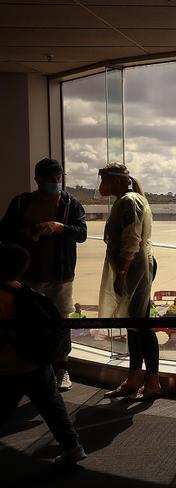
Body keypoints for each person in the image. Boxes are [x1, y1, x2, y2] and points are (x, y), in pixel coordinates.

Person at [0, 157, 87, 392]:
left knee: (62, 322)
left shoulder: (70, 203)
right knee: (29, 323)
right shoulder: (22, 203)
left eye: (59, 178)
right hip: (28, 276)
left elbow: (81, 234)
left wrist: (60, 228)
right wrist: (27, 234)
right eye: (51, 179)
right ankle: (34, 368)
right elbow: (4, 233)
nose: (56, 182)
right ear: (37, 179)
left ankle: (62, 369)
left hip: (61, 275)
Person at [0, 244, 87, 466]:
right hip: (38, 363)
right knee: (53, 406)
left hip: (9, 367)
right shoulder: (28, 293)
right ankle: (73, 447)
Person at [97, 163, 161, 402]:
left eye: (104, 180)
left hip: (133, 270)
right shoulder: (130, 199)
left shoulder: (128, 201)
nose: (101, 186)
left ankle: (152, 381)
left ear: (114, 181)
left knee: (141, 327)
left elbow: (131, 239)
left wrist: (122, 273)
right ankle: (135, 378)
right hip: (136, 268)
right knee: (133, 326)